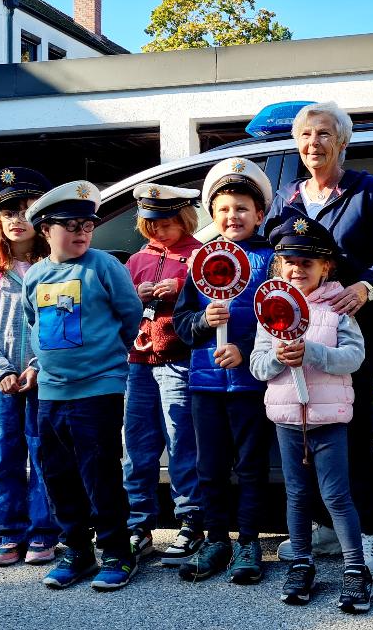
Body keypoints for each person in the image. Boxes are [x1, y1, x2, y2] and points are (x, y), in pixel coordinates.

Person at [263, 102, 373, 578]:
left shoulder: (365, 190)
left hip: (344, 330)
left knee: (350, 438)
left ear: (342, 141)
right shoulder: (287, 197)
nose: (312, 144)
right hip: (294, 329)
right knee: (303, 437)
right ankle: (323, 528)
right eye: (305, 136)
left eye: (323, 134)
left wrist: (366, 286)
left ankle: (366, 535)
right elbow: (269, 259)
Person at [21, 181, 144, 591]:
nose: (81, 233)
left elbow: (130, 315)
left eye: (88, 225)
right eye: (70, 224)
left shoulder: (104, 266)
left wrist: (108, 361)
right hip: (52, 394)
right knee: (59, 476)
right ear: (44, 229)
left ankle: (116, 552)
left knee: (100, 473)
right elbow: (33, 325)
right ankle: (76, 550)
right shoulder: (35, 276)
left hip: (98, 391)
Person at [250, 215, 373, 613]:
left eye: (308, 262)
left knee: (337, 496)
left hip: (329, 420)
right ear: (279, 265)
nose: (297, 268)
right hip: (287, 420)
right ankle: (301, 562)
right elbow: (256, 363)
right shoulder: (270, 308)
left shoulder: (338, 309)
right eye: (290, 261)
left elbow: (354, 357)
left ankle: (356, 570)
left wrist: (314, 353)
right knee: (297, 495)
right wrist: (276, 360)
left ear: (326, 267)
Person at [172, 157, 276, 584]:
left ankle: (249, 540)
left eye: (242, 209)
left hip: (251, 382)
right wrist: (202, 323)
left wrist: (245, 349)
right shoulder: (200, 262)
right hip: (206, 384)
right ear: (212, 216)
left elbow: (280, 319)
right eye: (225, 209)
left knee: (251, 466)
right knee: (210, 466)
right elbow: (181, 325)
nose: (233, 216)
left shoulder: (271, 259)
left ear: (260, 214)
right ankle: (217, 538)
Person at [0, 167, 59, 567]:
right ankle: (8, 533)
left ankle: (44, 532)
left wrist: (39, 366)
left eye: (27, 210)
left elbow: (60, 326)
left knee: (44, 454)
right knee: (7, 453)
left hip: (45, 379)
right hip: (4, 382)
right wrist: (1, 371)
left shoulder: (54, 270)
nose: (17, 219)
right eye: (8, 212)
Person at [122, 183, 205, 565]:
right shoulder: (137, 260)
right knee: (137, 445)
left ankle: (190, 520)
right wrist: (134, 296)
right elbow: (119, 308)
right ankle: (138, 523)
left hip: (178, 357)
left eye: (167, 222)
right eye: (151, 223)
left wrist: (184, 286)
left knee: (181, 442)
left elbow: (212, 298)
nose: (158, 230)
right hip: (138, 362)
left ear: (185, 219)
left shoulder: (198, 257)